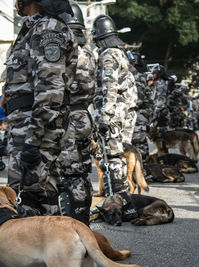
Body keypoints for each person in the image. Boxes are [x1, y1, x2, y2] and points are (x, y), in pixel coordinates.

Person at [5, 0, 77, 215]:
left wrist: (32, 142)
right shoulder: (33, 28)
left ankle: (46, 247)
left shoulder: (48, 29)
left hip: (34, 130)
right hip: (26, 126)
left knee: (31, 198)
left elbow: (50, 89)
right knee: (34, 195)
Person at [56, 1, 96, 224]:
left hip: (67, 118)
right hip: (83, 117)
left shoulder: (64, 50)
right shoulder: (89, 54)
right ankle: (83, 221)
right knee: (80, 173)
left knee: (68, 175)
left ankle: (73, 223)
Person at [92, 15, 137, 195]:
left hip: (113, 114)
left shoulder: (108, 56)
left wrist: (105, 117)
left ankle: (118, 201)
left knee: (112, 158)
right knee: (118, 156)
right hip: (122, 113)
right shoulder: (120, 53)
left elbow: (110, 86)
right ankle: (122, 198)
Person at [131, 53, 153, 161]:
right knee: (141, 143)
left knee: (138, 144)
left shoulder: (137, 77)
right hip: (142, 115)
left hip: (139, 114)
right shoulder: (142, 76)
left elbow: (137, 100)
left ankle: (143, 171)